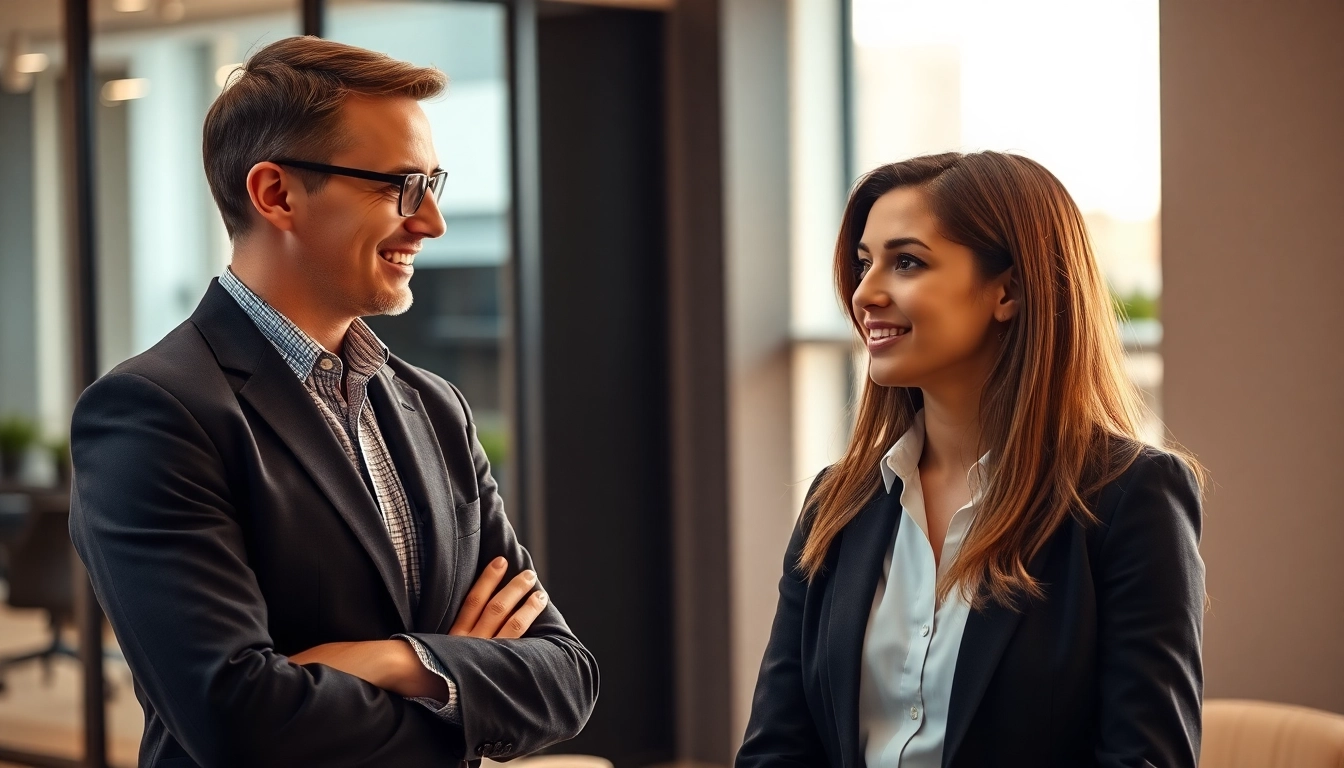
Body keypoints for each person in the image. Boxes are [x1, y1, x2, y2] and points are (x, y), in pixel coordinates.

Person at [69, 36, 597, 768]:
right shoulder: (153, 414)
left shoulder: (434, 407)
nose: (432, 222)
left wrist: (394, 662)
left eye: (432, 184)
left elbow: (566, 679)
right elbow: (238, 723)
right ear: (276, 194)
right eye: (398, 187)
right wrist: (466, 679)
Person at [735, 152, 1204, 768]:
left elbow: (1145, 758)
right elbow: (776, 750)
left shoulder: (1131, 497)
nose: (866, 293)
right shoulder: (837, 504)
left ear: (1007, 290)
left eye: (906, 262)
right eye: (862, 263)